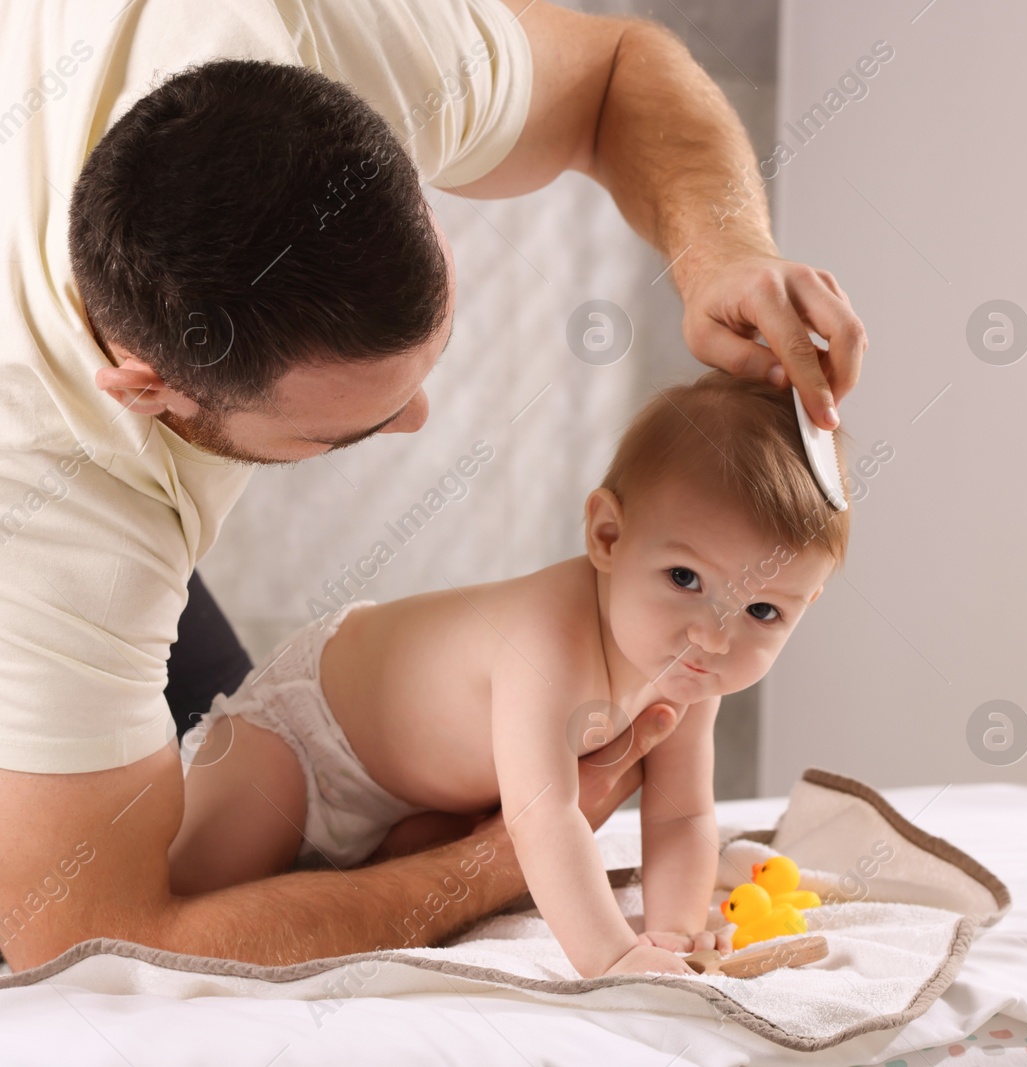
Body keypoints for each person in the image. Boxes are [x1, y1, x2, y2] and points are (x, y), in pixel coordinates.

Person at [0, 0, 865, 972]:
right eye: (352, 426)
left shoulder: (333, 35)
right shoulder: (53, 508)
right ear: (150, 393)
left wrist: (721, 248)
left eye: (433, 345)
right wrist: (498, 861)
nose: (421, 417)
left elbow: (621, 66)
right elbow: (92, 940)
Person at [169, 372, 849, 976]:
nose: (714, 634)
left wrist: (671, 932)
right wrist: (613, 957)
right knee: (192, 909)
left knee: (412, 876)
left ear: (806, 605)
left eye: (763, 609)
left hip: (416, 804)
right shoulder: (549, 635)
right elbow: (544, 818)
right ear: (608, 536)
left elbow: (682, 813)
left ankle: (355, 862)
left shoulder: (691, 667)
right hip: (305, 736)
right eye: (684, 578)